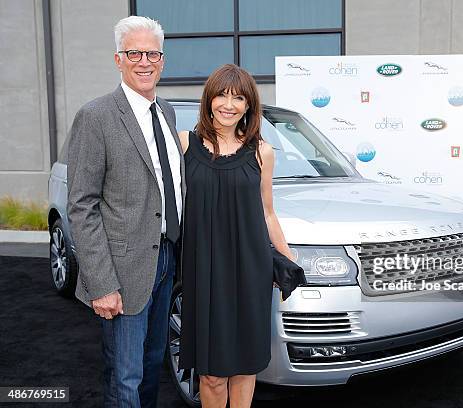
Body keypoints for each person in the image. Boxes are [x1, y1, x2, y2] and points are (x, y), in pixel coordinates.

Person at [67, 16, 185, 407]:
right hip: (122, 269)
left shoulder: (166, 113)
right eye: (134, 53)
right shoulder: (96, 116)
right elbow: (82, 205)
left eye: (152, 53)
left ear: (163, 60)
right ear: (118, 59)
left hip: (165, 259)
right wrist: (101, 283)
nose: (144, 61)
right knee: (125, 376)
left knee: (153, 366)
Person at [177, 64, 295, 408]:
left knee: (245, 368)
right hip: (204, 273)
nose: (229, 105)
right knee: (211, 375)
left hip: (250, 271)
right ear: (209, 99)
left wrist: (286, 259)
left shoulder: (262, 152)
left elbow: (267, 212)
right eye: (222, 95)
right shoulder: (185, 143)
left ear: (248, 106)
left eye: (238, 97)